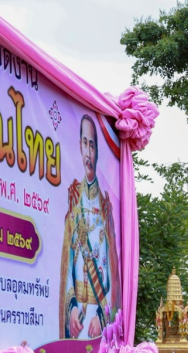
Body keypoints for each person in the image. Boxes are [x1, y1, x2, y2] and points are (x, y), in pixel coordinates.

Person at [59, 115, 119, 340]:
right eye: (85, 143)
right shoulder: (74, 201)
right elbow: (68, 266)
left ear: (97, 152)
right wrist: (72, 308)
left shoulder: (106, 209)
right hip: (76, 321)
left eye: (92, 145)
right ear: (79, 146)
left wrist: (102, 317)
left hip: (98, 320)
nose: (88, 152)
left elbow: (113, 275)